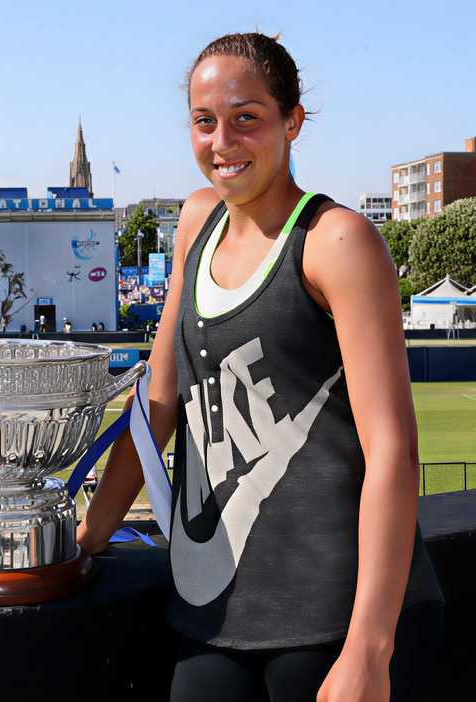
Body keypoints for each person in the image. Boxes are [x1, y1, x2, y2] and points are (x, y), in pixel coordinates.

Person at [77, 33, 443, 702]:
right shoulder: (196, 220)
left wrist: (369, 648)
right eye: (204, 121)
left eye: (247, 118)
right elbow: (159, 400)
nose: (223, 141)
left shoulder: (336, 241)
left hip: (333, 616)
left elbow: (393, 450)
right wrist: (90, 534)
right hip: (212, 610)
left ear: (292, 121)